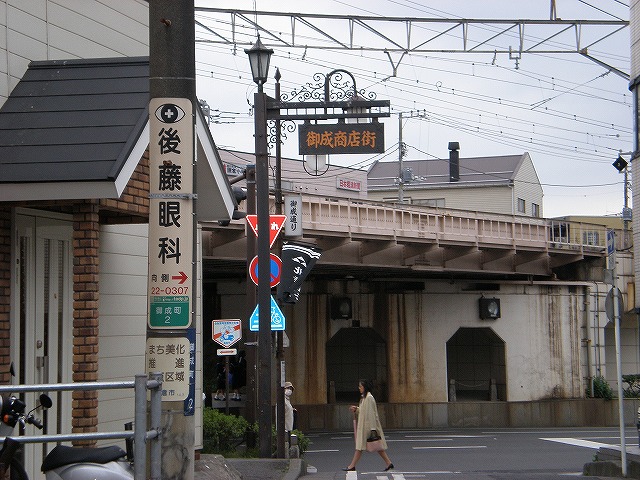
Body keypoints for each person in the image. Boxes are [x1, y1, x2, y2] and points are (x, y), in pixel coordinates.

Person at [343, 379, 394, 472]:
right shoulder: (365, 398)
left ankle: (352, 466)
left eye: (360, 386)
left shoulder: (369, 398)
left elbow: (371, 414)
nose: (359, 388)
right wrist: (357, 409)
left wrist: (372, 429)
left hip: (367, 428)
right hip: (365, 427)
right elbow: (364, 411)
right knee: (376, 446)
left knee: (360, 447)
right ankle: (388, 463)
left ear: (365, 387)